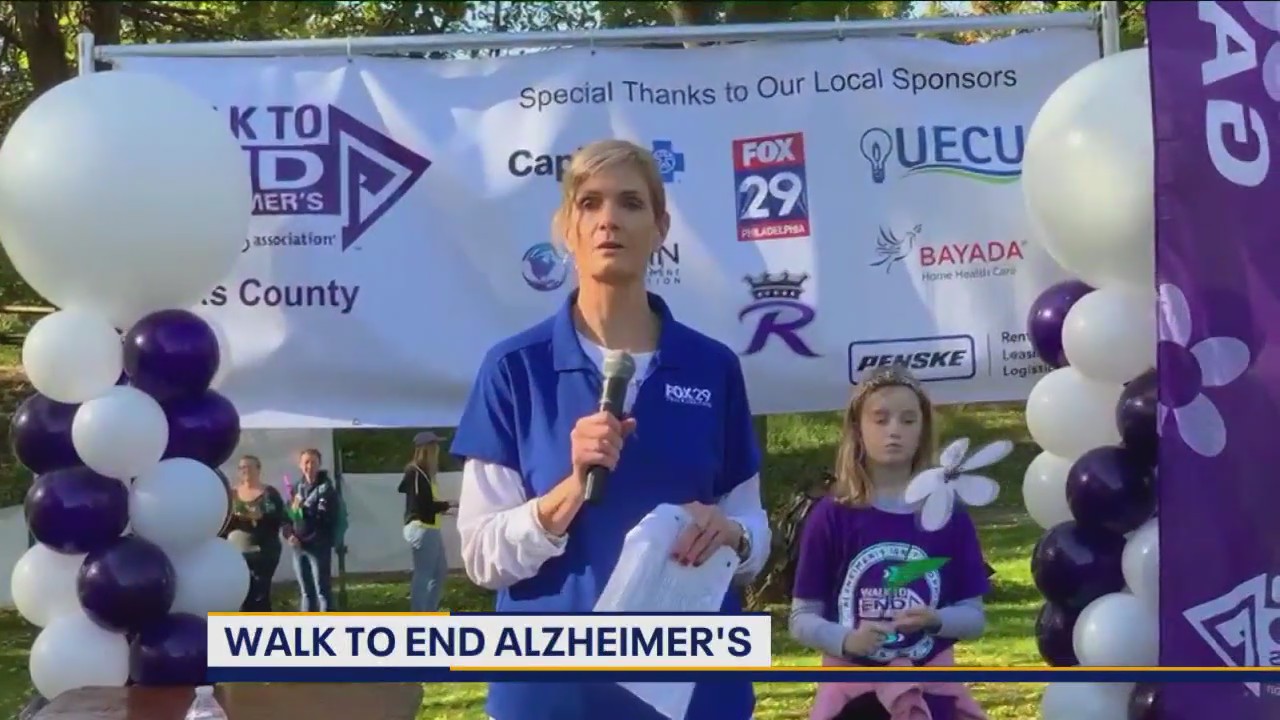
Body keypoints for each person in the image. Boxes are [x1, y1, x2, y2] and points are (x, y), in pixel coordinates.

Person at [450, 139, 770, 720]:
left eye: (630, 203)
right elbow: (481, 555)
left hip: (694, 688)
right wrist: (569, 491)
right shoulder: (514, 369)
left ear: (660, 226)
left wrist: (733, 534)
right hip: (552, 692)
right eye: (590, 203)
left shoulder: (712, 366)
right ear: (565, 227)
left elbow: (752, 530)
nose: (609, 220)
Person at [789, 364, 992, 720]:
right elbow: (802, 617)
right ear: (858, 428)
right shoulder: (832, 515)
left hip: (932, 697)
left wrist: (936, 619)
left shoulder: (949, 515)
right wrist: (846, 640)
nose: (894, 431)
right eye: (880, 419)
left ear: (923, 429)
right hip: (854, 701)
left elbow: (973, 617)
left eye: (908, 420)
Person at [220, 454, 287, 611]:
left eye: (249, 467)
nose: (245, 471)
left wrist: (260, 516)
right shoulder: (232, 495)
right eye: (242, 468)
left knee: (259, 593)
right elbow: (222, 524)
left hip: (264, 553)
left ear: (258, 469)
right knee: (241, 594)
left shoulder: (269, 493)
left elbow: (280, 518)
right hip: (236, 553)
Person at [400, 430, 457, 612]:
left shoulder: (424, 474)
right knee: (424, 574)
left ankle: (429, 611)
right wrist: (447, 506)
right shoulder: (416, 473)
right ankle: (418, 614)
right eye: (435, 446)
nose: (438, 450)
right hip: (422, 528)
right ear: (427, 449)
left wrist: (447, 508)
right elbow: (422, 504)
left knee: (439, 572)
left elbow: (425, 504)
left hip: (429, 527)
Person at [282, 448, 339, 612]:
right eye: (306, 462)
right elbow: (286, 518)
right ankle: (308, 631)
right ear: (300, 465)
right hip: (299, 547)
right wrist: (289, 535)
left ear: (319, 464)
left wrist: (307, 509)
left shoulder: (327, 489)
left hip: (319, 546)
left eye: (313, 462)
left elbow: (329, 518)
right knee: (306, 592)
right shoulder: (295, 489)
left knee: (322, 590)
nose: (310, 466)